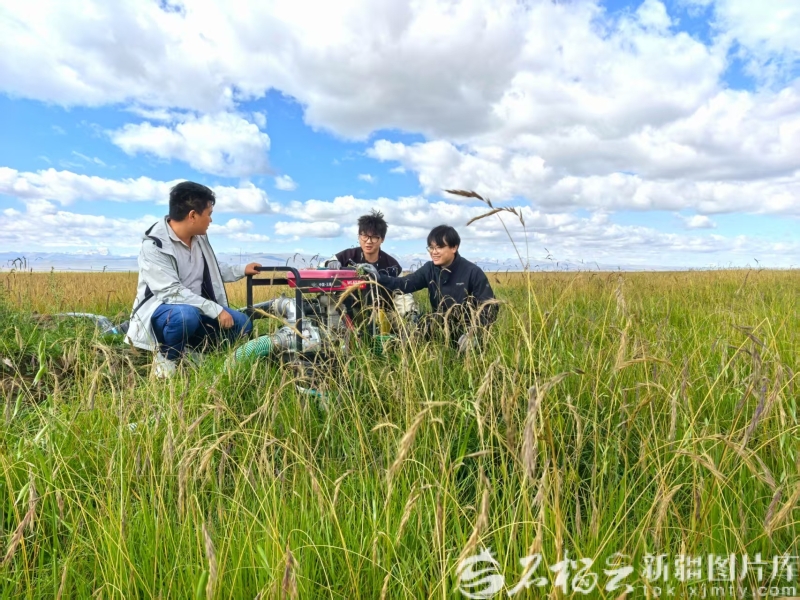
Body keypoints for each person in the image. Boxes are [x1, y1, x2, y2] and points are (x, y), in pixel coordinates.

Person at [125, 181, 261, 377]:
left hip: (197, 309)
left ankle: (192, 353)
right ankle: (166, 362)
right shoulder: (154, 246)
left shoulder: (199, 238)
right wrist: (217, 310)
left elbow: (213, 267)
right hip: (164, 311)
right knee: (184, 316)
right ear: (192, 215)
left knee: (243, 325)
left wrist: (242, 269)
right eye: (209, 214)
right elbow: (171, 292)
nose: (211, 220)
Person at [360, 225, 498, 349]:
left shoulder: (472, 272)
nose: (434, 252)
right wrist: (378, 277)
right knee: (410, 337)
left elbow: (489, 307)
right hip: (438, 328)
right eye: (431, 248)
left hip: (467, 333)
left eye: (439, 247)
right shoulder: (430, 269)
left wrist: (473, 333)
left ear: (454, 247)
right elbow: (403, 284)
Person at [324, 210, 411, 322]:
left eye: (374, 237)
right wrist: (330, 264)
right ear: (359, 237)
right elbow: (324, 266)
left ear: (382, 239)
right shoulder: (347, 257)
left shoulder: (392, 266)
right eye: (364, 236)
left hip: (383, 317)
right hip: (347, 315)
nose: (368, 241)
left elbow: (402, 294)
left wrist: (407, 315)